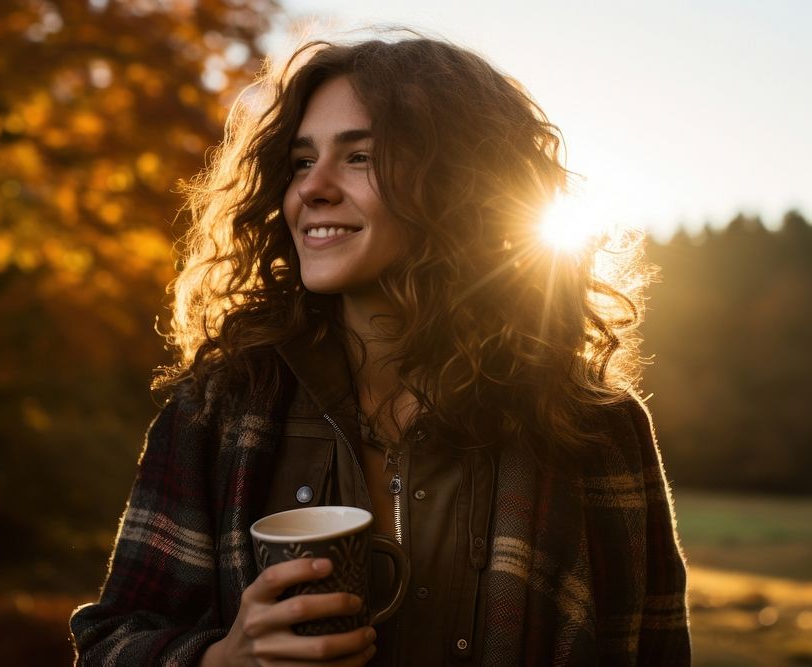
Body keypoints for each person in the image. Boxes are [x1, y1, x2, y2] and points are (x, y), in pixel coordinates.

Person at [70, 34, 691, 666]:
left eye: (360, 157)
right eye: (302, 161)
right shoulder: (222, 408)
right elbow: (108, 644)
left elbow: (652, 652)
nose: (313, 188)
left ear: (462, 183)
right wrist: (220, 660)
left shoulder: (591, 427)